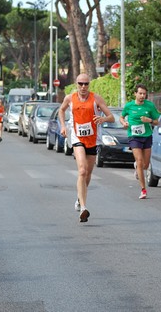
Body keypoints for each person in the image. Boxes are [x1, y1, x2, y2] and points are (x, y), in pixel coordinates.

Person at [59, 74, 114, 222]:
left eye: (86, 84)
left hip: (93, 138)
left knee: (88, 174)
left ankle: (79, 198)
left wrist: (103, 118)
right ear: (76, 84)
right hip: (77, 137)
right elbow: (61, 110)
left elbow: (111, 117)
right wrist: (64, 126)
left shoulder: (96, 98)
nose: (83, 87)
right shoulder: (70, 98)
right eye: (80, 84)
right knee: (82, 170)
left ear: (89, 85)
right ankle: (83, 208)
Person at [120, 84, 160, 199]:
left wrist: (150, 120)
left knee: (145, 165)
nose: (142, 96)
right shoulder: (129, 106)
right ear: (135, 94)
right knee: (140, 160)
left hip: (147, 136)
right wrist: (124, 123)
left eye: (144, 94)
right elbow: (122, 117)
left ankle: (138, 167)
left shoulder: (150, 106)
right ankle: (143, 190)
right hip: (134, 136)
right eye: (140, 93)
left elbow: (158, 121)